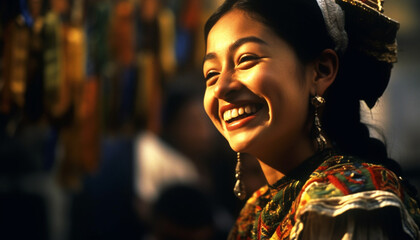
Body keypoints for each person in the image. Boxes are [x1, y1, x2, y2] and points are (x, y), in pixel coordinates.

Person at [202, 0, 420, 239]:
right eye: (211, 74)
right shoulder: (253, 213)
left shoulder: (346, 200)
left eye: (246, 59)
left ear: (321, 71)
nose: (221, 87)